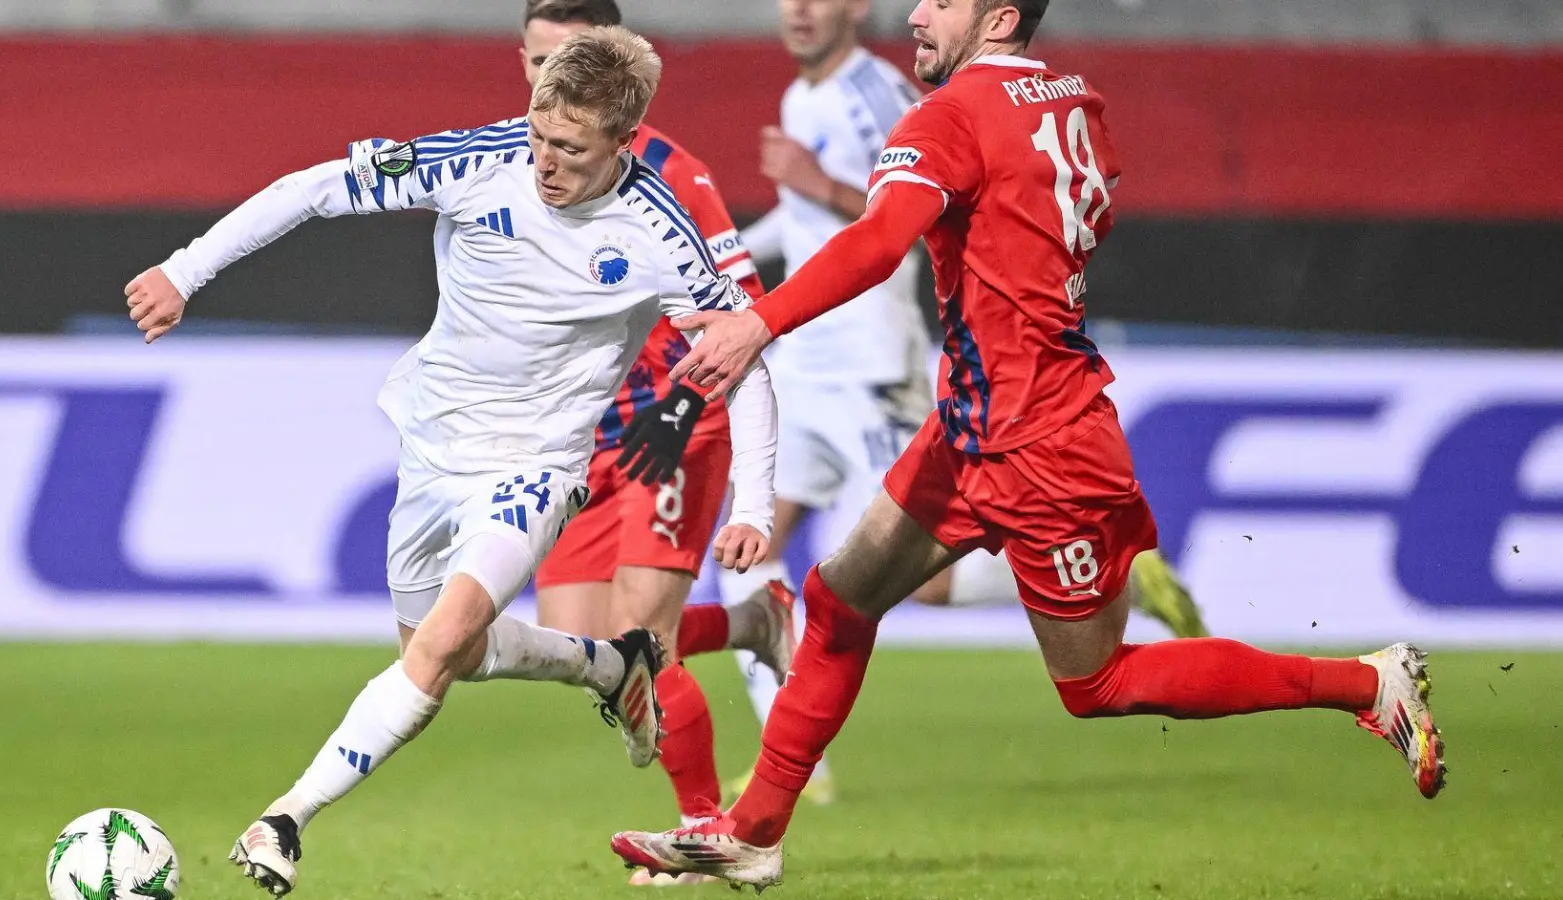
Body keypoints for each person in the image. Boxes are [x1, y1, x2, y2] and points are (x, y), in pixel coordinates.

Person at [609, 0, 1446, 888]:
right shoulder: (1071, 96)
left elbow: (879, 240)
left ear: (1000, 16)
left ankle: (1367, 684)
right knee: (840, 597)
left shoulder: (951, 115)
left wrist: (757, 322)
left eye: (942, 1)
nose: (917, 13)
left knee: (1098, 686)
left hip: (1041, 441)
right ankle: (754, 831)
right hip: (974, 422)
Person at [124, 28, 777, 897]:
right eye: (540, 136)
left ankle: (285, 817)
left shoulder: (659, 227)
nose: (545, 162)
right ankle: (611, 665)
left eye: (571, 150)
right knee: (452, 656)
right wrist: (183, 270)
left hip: (538, 467)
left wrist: (756, 506)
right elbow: (317, 187)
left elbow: (750, 356)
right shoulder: (478, 161)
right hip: (432, 450)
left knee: (433, 651)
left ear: (623, 143)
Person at [719, 0, 1207, 809]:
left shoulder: (891, 98)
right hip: (808, 367)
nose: (798, 11)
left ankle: (1109, 575)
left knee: (914, 585)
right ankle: (783, 779)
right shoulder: (809, 97)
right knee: (765, 553)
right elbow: (815, 220)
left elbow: (891, 228)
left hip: (877, 364)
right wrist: (729, 256)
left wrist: (799, 228)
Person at [518, 0, 796, 884]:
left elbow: (746, 320)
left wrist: (691, 403)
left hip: (676, 423)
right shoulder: (521, 163)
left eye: (566, 64)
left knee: (643, 639)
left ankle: (703, 829)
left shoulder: (676, 175)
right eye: (534, 64)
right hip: (591, 433)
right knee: (578, 641)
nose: (547, 86)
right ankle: (755, 620)